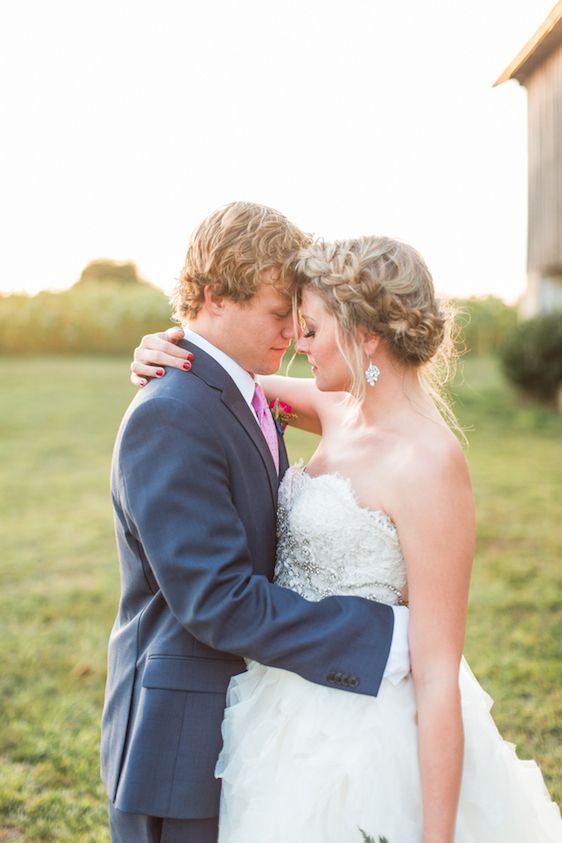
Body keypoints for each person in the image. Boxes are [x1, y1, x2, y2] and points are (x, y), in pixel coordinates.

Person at [132, 234, 562, 842]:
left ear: (365, 335)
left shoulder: (429, 465)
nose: (296, 345)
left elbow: (437, 675)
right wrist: (162, 347)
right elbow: (217, 389)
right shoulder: (337, 408)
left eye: (310, 328)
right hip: (275, 706)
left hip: (368, 731)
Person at [103, 203, 411, 843]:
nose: (292, 334)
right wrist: (378, 634)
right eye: (279, 314)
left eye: (300, 318)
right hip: (180, 744)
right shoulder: (173, 411)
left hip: (248, 723)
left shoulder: (242, 388)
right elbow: (217, 600)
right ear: (214, 296)